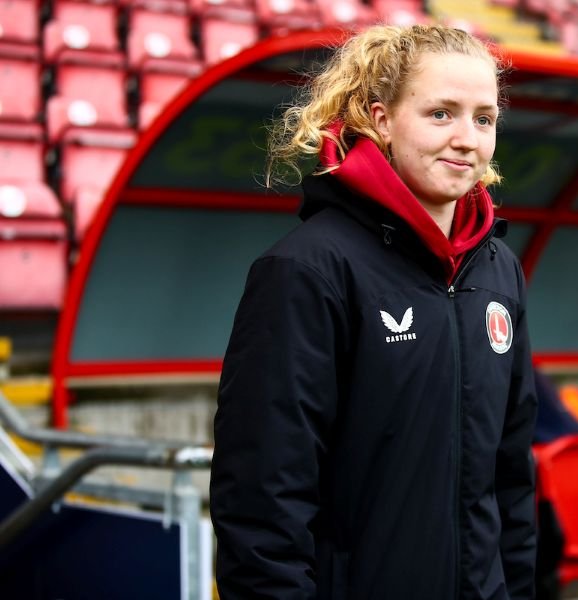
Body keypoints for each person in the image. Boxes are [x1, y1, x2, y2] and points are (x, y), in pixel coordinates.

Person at [209, 25, 538, 600]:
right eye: (441, 114)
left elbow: (511, 479)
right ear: (381, 120)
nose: (467, 139)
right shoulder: (306, 269)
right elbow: (262, 500)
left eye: (484, 119)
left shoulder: (499, 270)